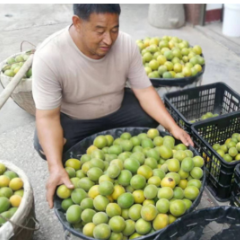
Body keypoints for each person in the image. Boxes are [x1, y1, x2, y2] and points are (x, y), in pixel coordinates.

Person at [32, 3, 193, 209]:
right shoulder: (50, 56)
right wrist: (54, 166)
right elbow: (48, 117)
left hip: (116, 110)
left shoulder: (126, 45)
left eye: (114, 29)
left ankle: (115, 143)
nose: (108, 39)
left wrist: (173, 127)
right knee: (46, 144)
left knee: (151, 115)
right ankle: (63, 168)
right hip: (76, 119)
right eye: (99, 31)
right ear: (77, 23)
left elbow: (144, 90)